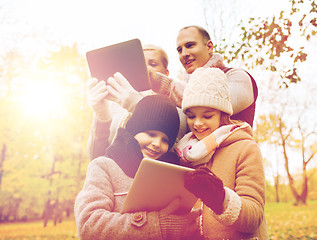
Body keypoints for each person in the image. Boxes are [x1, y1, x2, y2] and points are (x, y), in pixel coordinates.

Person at [75, 95, 201, 240]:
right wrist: (158, 225)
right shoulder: (103, 167)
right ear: (134, 130)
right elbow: (88, 226)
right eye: (151, 134)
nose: (157, 143)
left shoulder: (172, 175)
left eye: (165, 139)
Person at [174, 67, 268, 239]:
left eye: (207, 116)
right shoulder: (184, 152)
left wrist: (221, 200)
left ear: (222, 115)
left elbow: (254, 216)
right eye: (191, 116)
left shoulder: (245, 148)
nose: (198, 123)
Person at [114, 25, 258, 128]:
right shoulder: (179, 93)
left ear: (209, 47)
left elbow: (210, 104)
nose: (184, 53)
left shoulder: (238, 77)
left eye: (190, 45)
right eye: (179, 49)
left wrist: (159, 85)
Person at [86, 44, 187, 159]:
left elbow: (170, 157)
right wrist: (101, 115)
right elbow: (95, 157)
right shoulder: (113, 106)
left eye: (153, 64)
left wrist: (139, 107)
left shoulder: (176, 112)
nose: (146, 68)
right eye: (141, 64)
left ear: (165, 73)